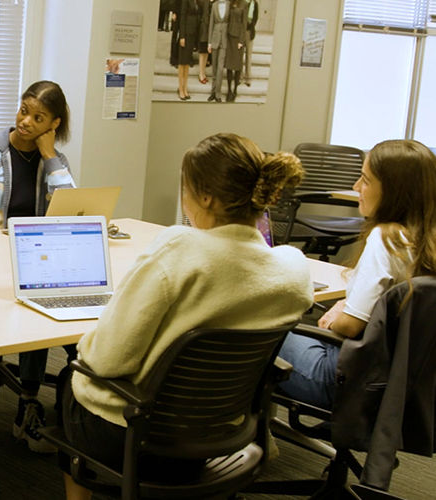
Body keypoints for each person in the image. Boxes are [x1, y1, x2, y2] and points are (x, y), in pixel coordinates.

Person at [57, 133, 314, 500]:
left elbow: (109, 360)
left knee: (72, 376)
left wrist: (84, 348)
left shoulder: (180, 249)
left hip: (138, 434)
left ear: (205, 197)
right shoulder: (292, 269)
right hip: (220, 433)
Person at [0, 80, 75, 453]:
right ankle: (31, 400)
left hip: (34, 260)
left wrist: (50, 156)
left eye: (39, 118)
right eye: (24, 111)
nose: (25, 122)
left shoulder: (55, 162)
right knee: (36, 298)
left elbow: (70, 211)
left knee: (51, 298)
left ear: (53, 125)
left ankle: (44, 397)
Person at [278, 139, 436, 410]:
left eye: (365, 180)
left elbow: (351, 326)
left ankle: (244, 436)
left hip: (338, 377)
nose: (355, 188)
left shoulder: (385, 239)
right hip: (395, 383)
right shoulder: (425, 241)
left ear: (392, 190)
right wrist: (344, 304)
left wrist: (333, 320)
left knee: (251, 332)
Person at [177, 0, 200, 100]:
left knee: (187, 62)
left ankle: (185, 87)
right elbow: (182, 16)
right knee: (182, 62)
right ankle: (180, 88)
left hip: (192, 34)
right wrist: (182, 36)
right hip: (185, 34)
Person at [225, 0, 247, 102]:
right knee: (229, 65)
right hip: (230, 37)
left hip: (238, 39)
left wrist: (241, 40)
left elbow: (244, 24)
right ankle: (229, 90)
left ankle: (235, 90)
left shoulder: (244, 4)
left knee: (237, 66)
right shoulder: (231, 3)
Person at [207, 0, 230, 102]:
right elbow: (211, 24)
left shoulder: (229, 4)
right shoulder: (214, 5)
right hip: (215, 39)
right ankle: (213, 92)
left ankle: (218, 93)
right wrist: (209, 42)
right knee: (214, 68)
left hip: (224, 40)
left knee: (220, 68)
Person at [243, 0, 260, 87]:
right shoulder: (243, 2)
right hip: (242, 31)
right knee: (239, 55)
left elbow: (255, 17)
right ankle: (239, 77)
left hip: (249, 31)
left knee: (248, 55)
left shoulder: (255, 4)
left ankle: (248, 77)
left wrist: (250, 25)